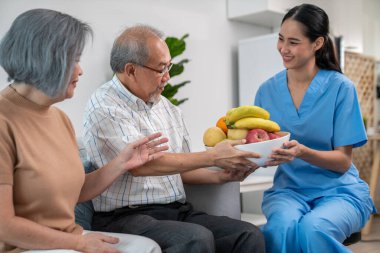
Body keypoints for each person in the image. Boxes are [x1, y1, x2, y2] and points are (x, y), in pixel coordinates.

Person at [83, 25, 265, 253]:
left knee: (248, 235)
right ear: (130, 70)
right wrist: (213, 156)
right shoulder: (105, 107)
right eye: (161, 69)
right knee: (194, 239)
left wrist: (222, 177)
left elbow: (182, 168)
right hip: (124, 217)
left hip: (176, 210)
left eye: (169, 66)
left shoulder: (167, 109)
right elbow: (142, 166)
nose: (167, 77)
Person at [0, 9, 169, 253]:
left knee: (148, 247)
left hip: (68, 239)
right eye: (74, 60)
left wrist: (122, 162)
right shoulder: (4, 120)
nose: (80, 70)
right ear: (46, 58)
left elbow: (77, 191)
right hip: (27, 248)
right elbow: (4, 226)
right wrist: (78, 243)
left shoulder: (59, 118)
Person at [254, 3, 376, 253]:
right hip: (289, 191)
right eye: (280, 39)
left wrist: (302, 152)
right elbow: (259, 143)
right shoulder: (266, 91)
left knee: (313, 228)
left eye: (293, 42)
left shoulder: (341, 88)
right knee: (280, 230)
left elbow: (343, 161)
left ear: (317, 43)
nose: (283, 49)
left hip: (339, 192)